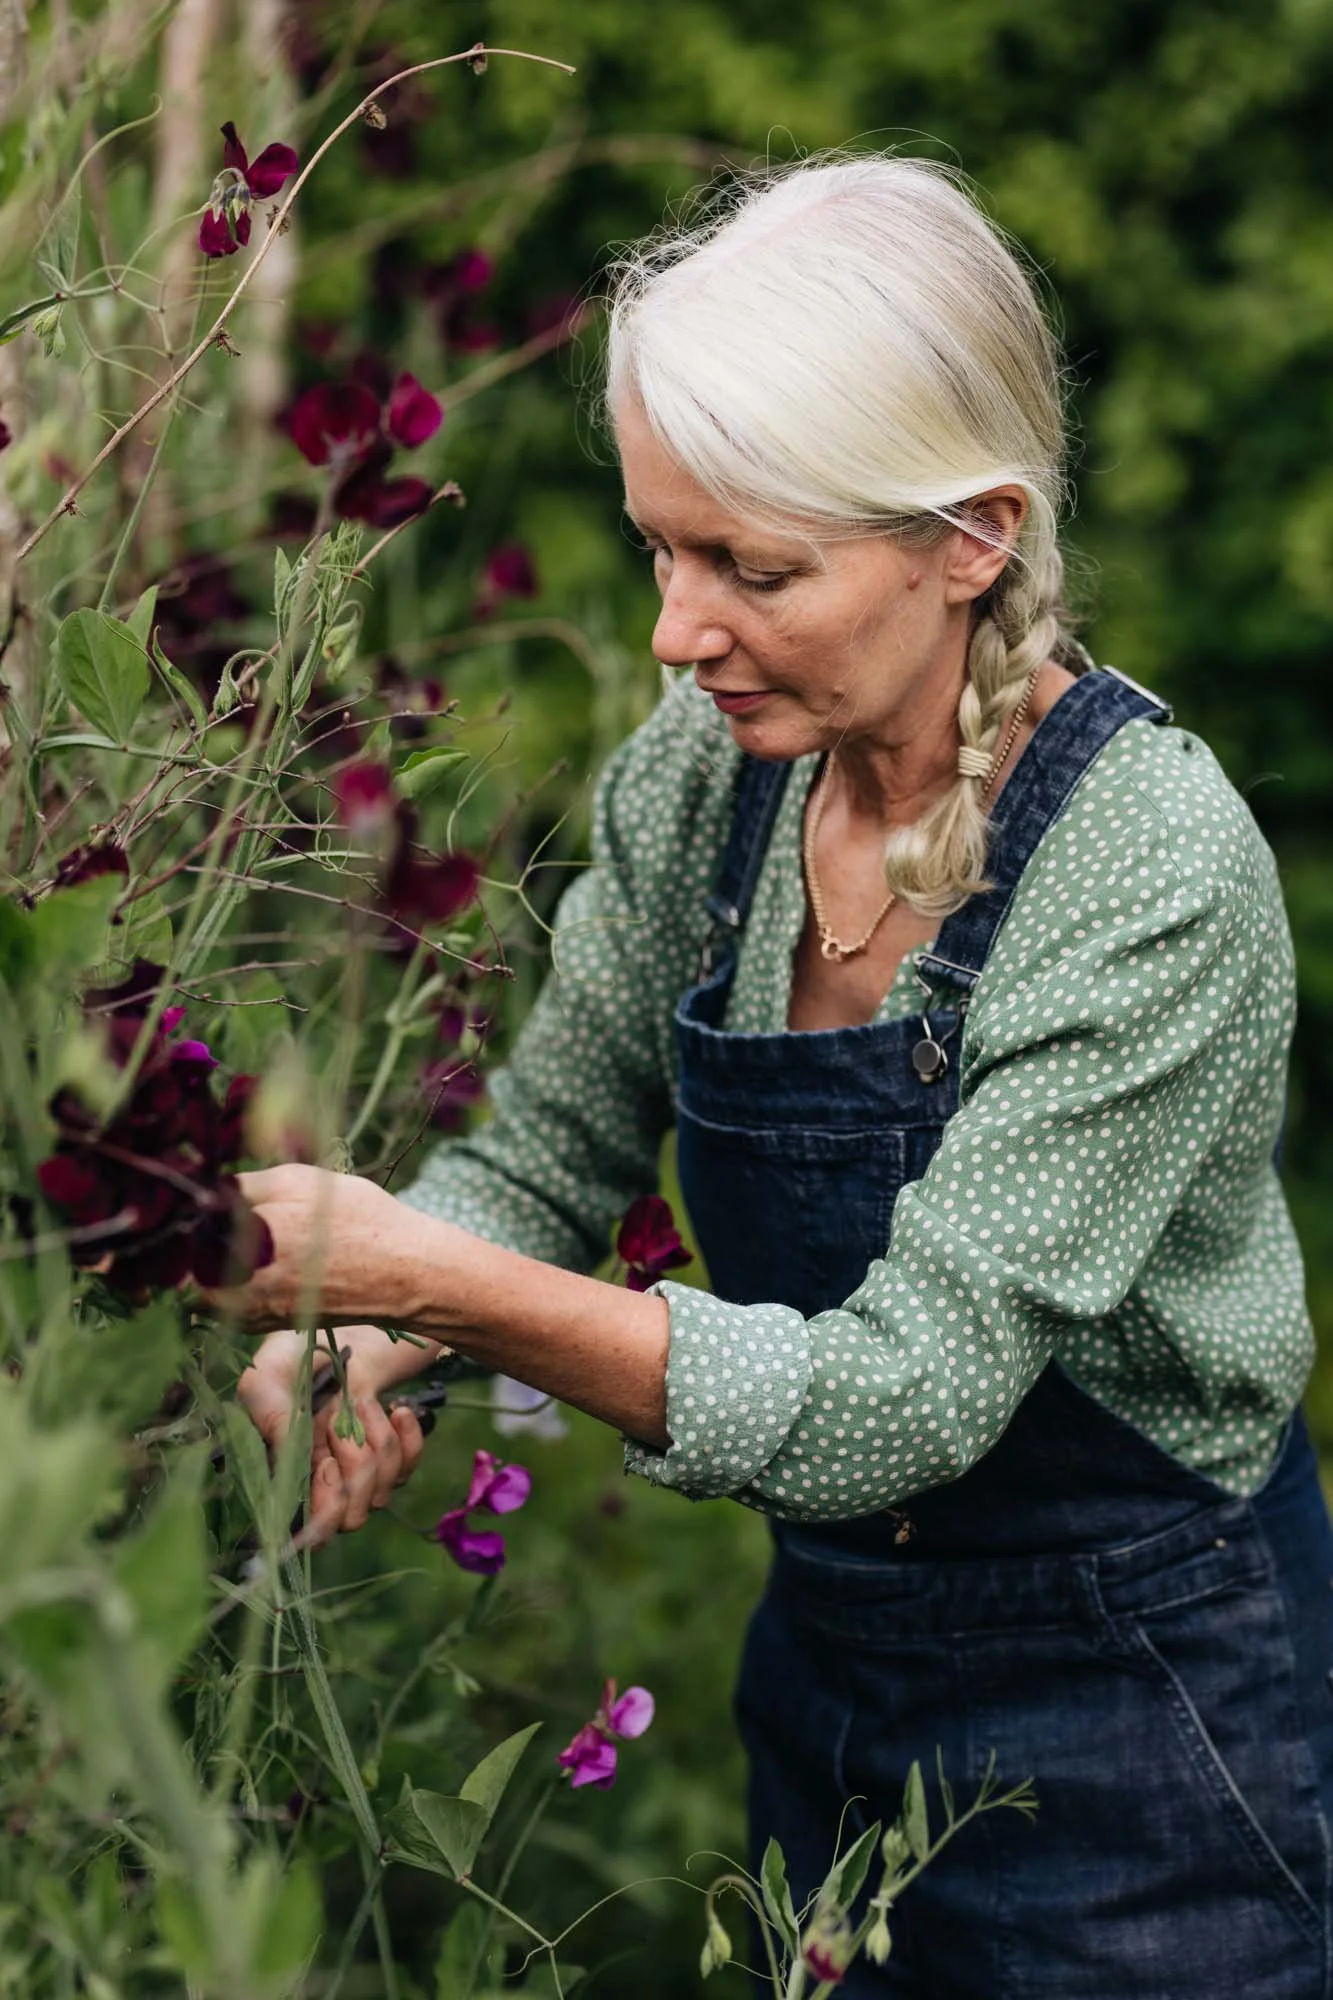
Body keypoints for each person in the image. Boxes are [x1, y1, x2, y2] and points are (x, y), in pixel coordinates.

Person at [226, 156, 1333, 1997]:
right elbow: (551, 1146)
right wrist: (366, 1331)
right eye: (664, 546)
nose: (675, 628)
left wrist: (438, 1282)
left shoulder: (1146, 865)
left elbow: (908, 1401)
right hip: (834, 1684)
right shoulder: (715, 771)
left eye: (753, 567)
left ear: (970, 537)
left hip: (1149, 1713)